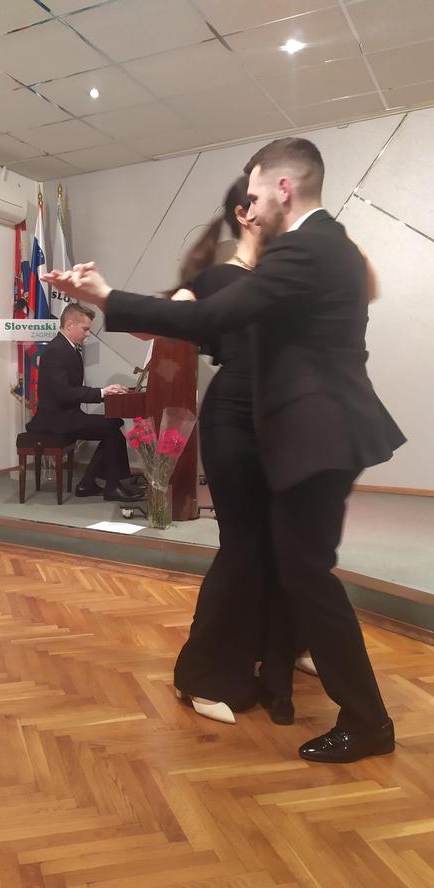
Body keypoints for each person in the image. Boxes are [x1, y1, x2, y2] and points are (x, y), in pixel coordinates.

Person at [43, 137, 406, 764]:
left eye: (257, 189)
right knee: (297, 568)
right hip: (314, 433)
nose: (251, 202)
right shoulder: (330, 245)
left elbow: (211, 318)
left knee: (305, 575)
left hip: (316, 435)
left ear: (283, 189)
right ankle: (294, 680)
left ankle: (368, 720)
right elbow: (213, 314)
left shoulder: (308, 248)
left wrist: (105, 298)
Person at [166, 176, 297, 726]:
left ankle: (274, 649)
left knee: (278, 543)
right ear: (245, 213)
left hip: (282, 420)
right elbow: (176, 310)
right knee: (243, 545)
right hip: (235, 418)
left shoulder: (280, 277)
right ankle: (200, 675)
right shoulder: (220, 277)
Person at [26, 303, 144, 502]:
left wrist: (106, 391)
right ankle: (109, 485)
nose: (88, 334)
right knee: (112, 426)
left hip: (67, 415)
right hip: (55, 420)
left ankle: (91, 483)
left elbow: (72, 390)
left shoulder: (68, 349)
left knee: (113, 426)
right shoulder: (56, 351)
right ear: (69, 325)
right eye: (85, 329)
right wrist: (103, 392)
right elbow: (64, 393)